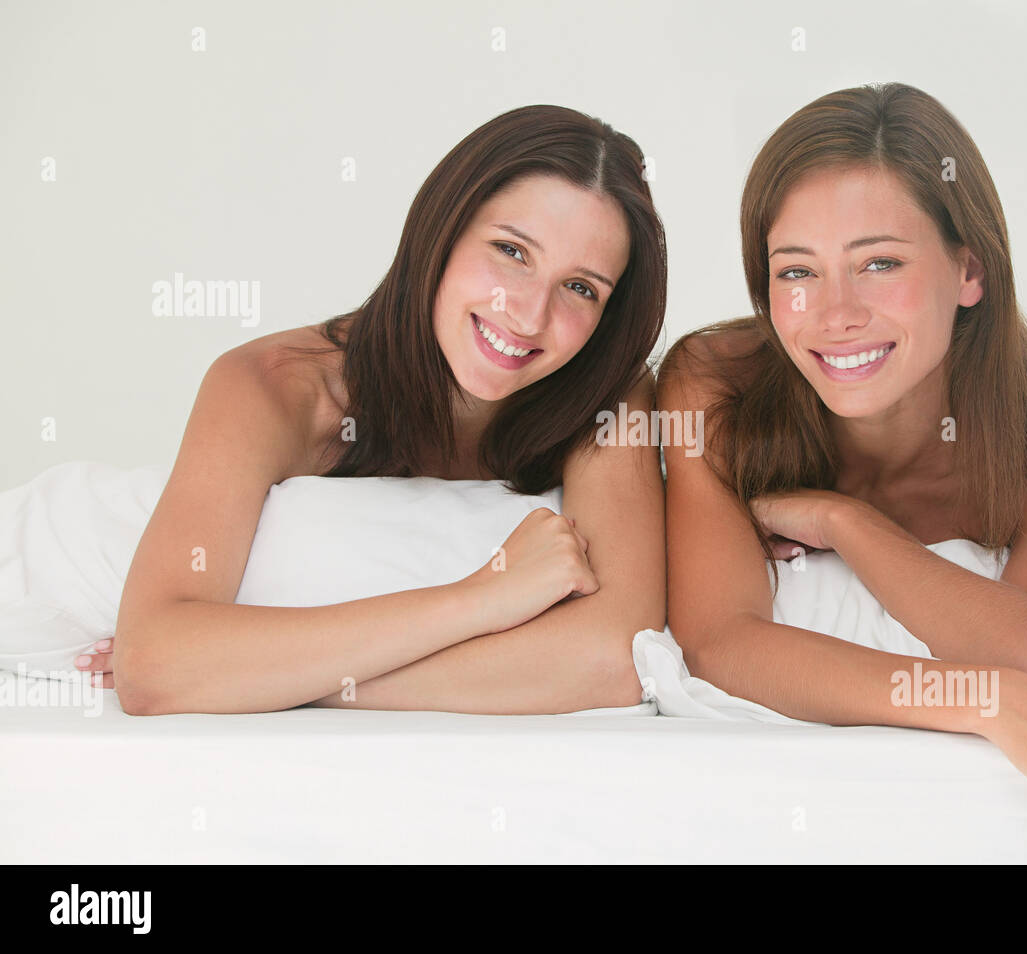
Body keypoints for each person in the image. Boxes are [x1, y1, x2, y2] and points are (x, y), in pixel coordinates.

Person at [657, 83, 1027, 853]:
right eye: (797, 272)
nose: (835, 313)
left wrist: (847, 522)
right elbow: (720, 643)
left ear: (969, 271)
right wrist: (983, 701)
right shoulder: (715, 383)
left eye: (878, 263)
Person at [95, 105, 668, 716]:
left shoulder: (608, 397)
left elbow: (614, 660)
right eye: (511, 251)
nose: (527, 316)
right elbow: (154, 666)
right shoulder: (270, 386)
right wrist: (480, 598)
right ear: (441, 230)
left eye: (581, 288)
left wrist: (273, 677)